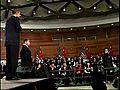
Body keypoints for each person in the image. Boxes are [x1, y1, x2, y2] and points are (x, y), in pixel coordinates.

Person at [5, 9, 22, 80]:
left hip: (8, 42)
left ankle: (8, 76)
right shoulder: (16, 19)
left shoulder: (8, 20)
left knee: (8, 60)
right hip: (14, 42)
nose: (20, 15)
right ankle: (13, 75)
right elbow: (18, 28)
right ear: (17, 13)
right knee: (14, 59)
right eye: (19, 14)